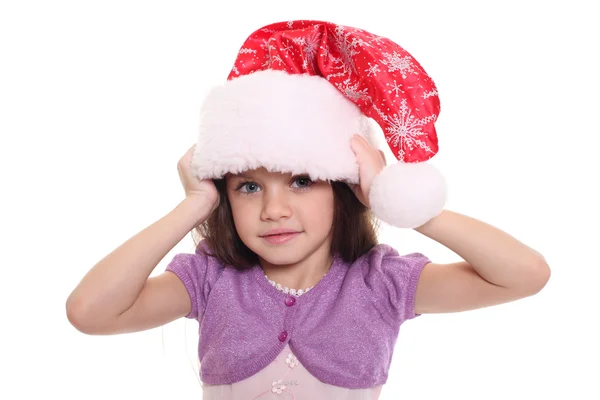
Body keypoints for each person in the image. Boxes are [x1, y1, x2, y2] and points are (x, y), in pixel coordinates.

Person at [65, 20, 550, 399]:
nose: (275, 209)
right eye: (249, 186)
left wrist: (406, 203)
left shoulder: (380, 283)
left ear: (343, 188)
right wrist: (193, 206)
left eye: (301, 181)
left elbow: (525, 275)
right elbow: (89, 312)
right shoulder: (210, 281)